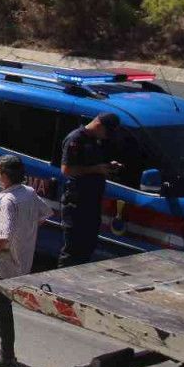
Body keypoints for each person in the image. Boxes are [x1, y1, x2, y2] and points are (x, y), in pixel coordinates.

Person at [0, 154, 52, 367]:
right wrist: (27, 231)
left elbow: (4, 234)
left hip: (3, 264)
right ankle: (5, 347)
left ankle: (7, 357)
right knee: (4, 308)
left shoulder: (8, 202)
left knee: (1, 310)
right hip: (22, 261)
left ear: (4, 175)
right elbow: (46, 213)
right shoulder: (28, 193)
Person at [59, 112, 122, 268]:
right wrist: (96, 169)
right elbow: (67, 170)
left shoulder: (95, 140)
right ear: (98, 125)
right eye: (107, 132)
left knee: (88, 247)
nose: (107, 137)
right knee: (72, 251)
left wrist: (108, 166)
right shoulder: (76, 139)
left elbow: (93, 164)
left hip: (91, 202)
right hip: (77, 203)